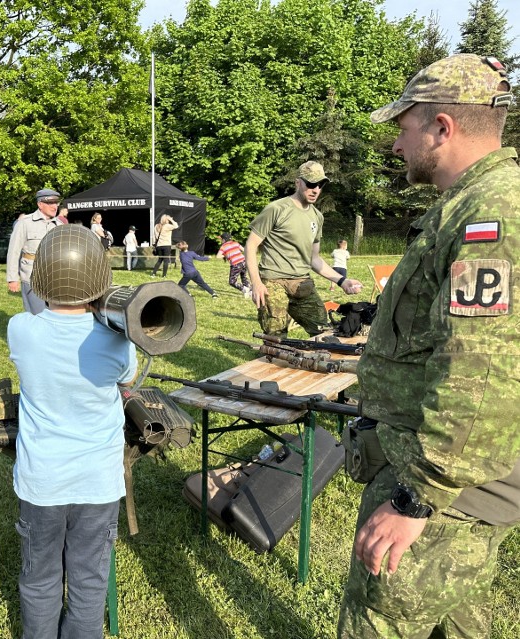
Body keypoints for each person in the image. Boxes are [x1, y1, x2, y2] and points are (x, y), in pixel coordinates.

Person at [337, 54, 520, 639]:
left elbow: (484, 370)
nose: (396, 145)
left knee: (378, 623)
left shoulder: (490, 213)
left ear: (442, 128)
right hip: (459, 482)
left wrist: (418, 499)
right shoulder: (473, 204)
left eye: (403, 127)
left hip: (446, 491)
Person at [7, 224, 138, 639]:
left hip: (41, 481)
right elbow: (128, 375)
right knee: (88, 580)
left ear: (41, 277)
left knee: (40, 578)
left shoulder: (19, 329)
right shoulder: (118, 340)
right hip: (98, 482)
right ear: (101, 281)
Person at [245, 161, 362, 336]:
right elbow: (250, 245)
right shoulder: (276, 209)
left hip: (302, 283)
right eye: (311, 184)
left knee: (325, 333)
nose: (316, 189)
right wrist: (256, 283)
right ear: (298, 182)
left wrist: (342, 281)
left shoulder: (317, 216)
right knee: (276, 339)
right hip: (273, 281)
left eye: (320, 185)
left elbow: (314, 258)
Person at [6, 188, 62, 314]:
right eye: (50, 203)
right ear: (40, 204)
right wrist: (12, 278)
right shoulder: (25, 223)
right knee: (36, 315)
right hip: (32, 278)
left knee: (55, 315)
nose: (55, 207)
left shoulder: (59, 225)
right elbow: (13, 251)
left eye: (56, 203)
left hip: (54, 279)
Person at [216, 232, 251, 297]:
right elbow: (244, 250)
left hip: (236, 264)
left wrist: (225, 255)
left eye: (221, 239)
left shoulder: (223, 246)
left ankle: (244, 289)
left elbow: (218, 256)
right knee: (244, 277)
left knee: (232, 282)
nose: (221, 240)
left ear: (224, 240)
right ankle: (250, 292)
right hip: (243, 262)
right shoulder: (235, 243)